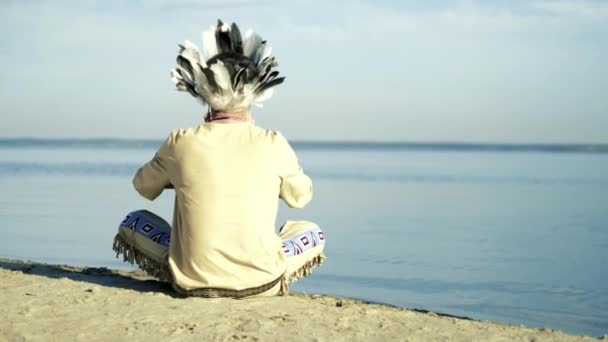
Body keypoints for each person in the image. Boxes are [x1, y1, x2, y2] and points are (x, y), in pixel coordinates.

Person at [112, 20, 325, 298]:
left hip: (192, 283)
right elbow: (301, 198)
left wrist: (178, 177)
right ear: (255, 89)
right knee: (313, 233)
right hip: (263, 284)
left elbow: (143, 186)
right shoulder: (273, 142)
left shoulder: (181, 141)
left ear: (202, 88)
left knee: (133, 221)